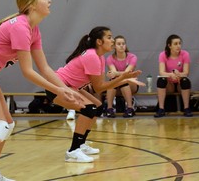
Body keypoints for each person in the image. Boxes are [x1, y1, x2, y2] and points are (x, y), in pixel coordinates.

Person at [0, 0, 83, 181]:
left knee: (8, 125)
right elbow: (28, 72)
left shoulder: (33, 30)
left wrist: (66, 90)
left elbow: (45, 68)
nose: (50, 1)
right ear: (32, 5)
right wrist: (58, 91)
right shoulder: (20, 26)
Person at [45, 26, 144, 163]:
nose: (113, 40)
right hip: (57, 86)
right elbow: (99, 88)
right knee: (89, 108)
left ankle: (81, 145)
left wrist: (124, 78)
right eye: (109, 37)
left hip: (70, 86)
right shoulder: (92, 56)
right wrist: (123, 78)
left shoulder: (100, 57)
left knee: (97, 107)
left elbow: (99, 86)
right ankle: (73, 151)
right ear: (99, 41)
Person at [155, 34, 192, 117]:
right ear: (169, 46)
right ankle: (161, 109)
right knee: (161, 80)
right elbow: (161, 72)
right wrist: (171, 75)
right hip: (170, 84)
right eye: (175, 44)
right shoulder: (163, 55)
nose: (178, 46)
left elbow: (186, 73)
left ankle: (186, 108)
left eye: (179, 43)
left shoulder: (185, 54)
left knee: (185, 81)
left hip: (179, 82)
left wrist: (179, 74)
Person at [105, 35, 139, 118]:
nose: (121, 46)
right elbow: (114, 73)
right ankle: (109, 109)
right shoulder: (110, 58)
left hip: (131, 84)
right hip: (116, 85)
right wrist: (116, 74)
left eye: (123, 44)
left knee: (123, 81)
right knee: (112, 82)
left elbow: (127, 73)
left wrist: (116, 73)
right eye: (119, 44)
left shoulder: (132, 57)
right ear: (114, 46)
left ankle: (130, 108)